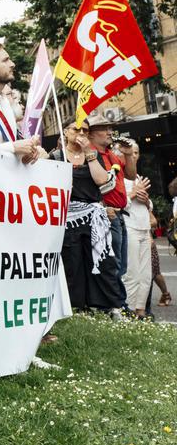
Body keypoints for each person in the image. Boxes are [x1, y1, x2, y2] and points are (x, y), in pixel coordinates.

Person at [51, 119, 121, 311]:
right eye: (76, 129)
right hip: (68, 220)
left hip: (93, 218)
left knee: (102, 263)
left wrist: (89, 154)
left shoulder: (93, 155)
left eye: (85, 130)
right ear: (66, 132)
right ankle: (76, 308)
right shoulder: (56, 156)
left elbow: (101, 180)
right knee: (73, 264)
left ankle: (105, 307)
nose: (81, 133)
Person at [86, 111, 137, 312]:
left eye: (110, 128)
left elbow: (131, 175)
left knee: (120, 265)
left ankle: (118, 305)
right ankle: (116, 306)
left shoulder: (111, 154)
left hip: (119, 215)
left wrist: (128, 154)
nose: (110, 132)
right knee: (111, 264)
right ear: (90, 134)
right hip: (106, 215)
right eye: (104, 129)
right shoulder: (90, 154)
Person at [121, 143, 153, 317]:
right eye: (130, 153)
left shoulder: (138, 177)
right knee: (132, 273)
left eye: (136, 153)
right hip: (129, 227)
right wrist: (133, 193)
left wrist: (146, 200)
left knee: (146, 275)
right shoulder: (118, 176)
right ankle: (129, 310)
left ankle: (141, 310)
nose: (133, 156)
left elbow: (150, 205)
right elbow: (116, 203)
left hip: (144, 228)